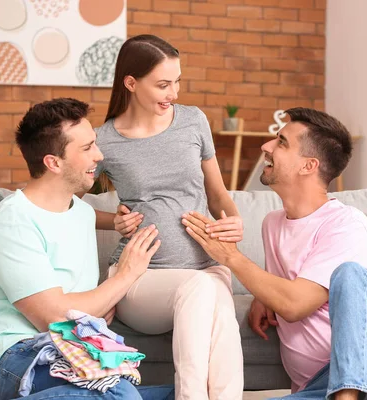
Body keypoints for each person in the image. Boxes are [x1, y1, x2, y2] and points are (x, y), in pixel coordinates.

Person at [182, 108, 367, 400]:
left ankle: (347, 395)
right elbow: (292, 284)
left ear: (308, 166)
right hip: (316, 389)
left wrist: (231, 257)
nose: (266, 147)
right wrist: (263, 296)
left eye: (281, 142)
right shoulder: (273, 223)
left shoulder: (346, 223)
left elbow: (294, 304)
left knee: (350, 274)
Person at [0, 98, 174, 400]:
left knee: (190, 393)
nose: (99, 154)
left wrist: (121, 223)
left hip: (74, 351)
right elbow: (54, 318)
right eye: (87, 148)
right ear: (53, 162)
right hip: (15, 360)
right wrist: (125, 276)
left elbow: (78, 310)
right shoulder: (12, 221)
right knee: (122, 396)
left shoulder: (81, 212)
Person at [89, 34, 244, 399]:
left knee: (220, 315)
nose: (173, 92)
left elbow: (218, 194)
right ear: (131, 82)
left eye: (177, 81)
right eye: (162, 84)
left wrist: (232, 222)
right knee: (204, 289)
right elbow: (63, 201)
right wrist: (111, 220)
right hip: (141, 281)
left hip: (208, 268)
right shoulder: (103, 140)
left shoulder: (193, 121)